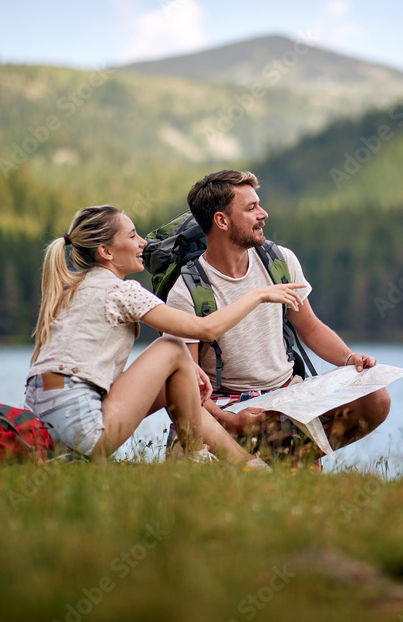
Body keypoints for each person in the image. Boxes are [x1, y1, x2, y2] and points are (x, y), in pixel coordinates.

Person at [25, 204, 306, 466]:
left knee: (176, 371)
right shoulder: (120, 290)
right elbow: (205, 328)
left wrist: (185, 371)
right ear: (106, 252)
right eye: (133, 236)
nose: (143, 243)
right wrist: (258, 294)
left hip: (46, 432)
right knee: (171, 346)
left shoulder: (73, 289)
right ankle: (207, 459)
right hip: (84, 429)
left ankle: (241, 464)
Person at [166, 170, 391, 463]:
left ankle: (291, 459)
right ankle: (265, 458)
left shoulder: (280, 260)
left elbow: (309, 328)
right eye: (251, 209)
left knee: (376, 398)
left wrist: (350, 359)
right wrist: (230, 421)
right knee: (188, 462)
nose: (264, 214)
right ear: (221, 221)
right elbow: (184, 385)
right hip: (225, 404)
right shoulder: (187, 290)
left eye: (259, 204)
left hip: (287, 395)